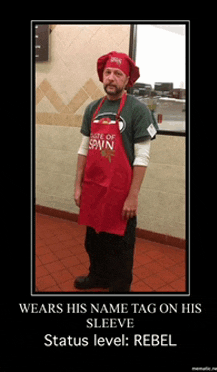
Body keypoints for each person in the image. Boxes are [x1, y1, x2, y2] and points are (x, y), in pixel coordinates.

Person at [74, 51, 159, 292]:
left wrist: (133, 196)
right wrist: (78, 185)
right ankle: (97, 277)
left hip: (122, 194)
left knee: (121, 246)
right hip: (94, 188)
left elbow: (142, 157)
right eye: (108, 73)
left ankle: (119, 289)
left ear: (127, 80)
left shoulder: (138, 110)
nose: (111, 78)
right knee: (94, 242)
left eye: (118, 74)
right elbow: (84, 148)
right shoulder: (93, 108)